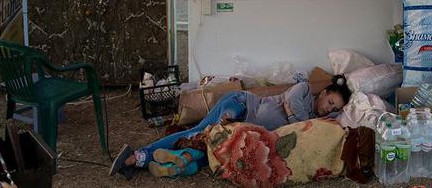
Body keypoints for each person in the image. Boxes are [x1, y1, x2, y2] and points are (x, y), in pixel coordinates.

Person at [110, 74, 352, 179]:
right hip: (240, 106)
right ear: (325, 92)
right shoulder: (305, 90)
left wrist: (295, 119)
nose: (327, 109)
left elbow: (295, 123)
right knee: (198, 134)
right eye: (330, 102)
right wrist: (293, 119)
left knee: (210, 153)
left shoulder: (312, 120)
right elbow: (290, 107)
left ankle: (177, 165)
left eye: (333, 109)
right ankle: (136, 156)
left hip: (243, 131)